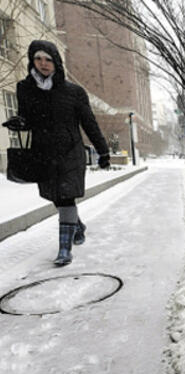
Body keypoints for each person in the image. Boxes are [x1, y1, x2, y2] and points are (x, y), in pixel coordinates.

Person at [4, 40, 110, 266]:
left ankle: (64, 249)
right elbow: (27, 119)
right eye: (38, 59)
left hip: (70, 152)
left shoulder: (74, 92)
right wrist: (19, 123)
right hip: (42, 152)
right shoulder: (25, 89)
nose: (43, 64)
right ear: (32, 60)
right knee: (56, 197)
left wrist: (103, 151)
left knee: (66, 196)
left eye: (48, 59)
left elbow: (89, 123)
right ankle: (77, 227)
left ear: (56, 62)